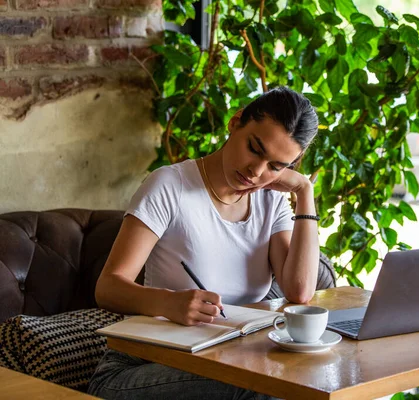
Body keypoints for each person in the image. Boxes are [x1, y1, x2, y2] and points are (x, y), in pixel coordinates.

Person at [88, 86, 321, 400]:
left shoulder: (271, 203)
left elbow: (300, 291)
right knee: (265, 385)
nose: (257, 171)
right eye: (255, 148)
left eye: (276, 167)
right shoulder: (170, 185)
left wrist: (304, 193)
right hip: (141, 366)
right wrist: (168, 303)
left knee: (314, 375)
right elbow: (108, 287)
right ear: (235, 122)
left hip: (224, 360)